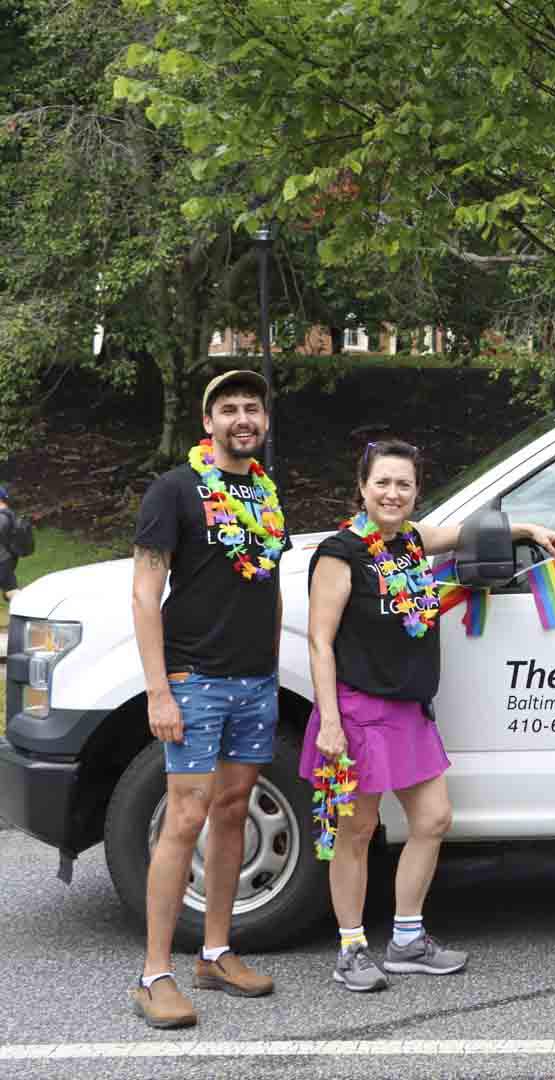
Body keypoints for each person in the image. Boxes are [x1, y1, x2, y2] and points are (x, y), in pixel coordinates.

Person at [302, 439, 555, 992]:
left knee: (433, 819)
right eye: (383, 483)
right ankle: (351, 947)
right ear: (363, 487)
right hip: (357, 712)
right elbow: (320, 643)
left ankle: (406, 939)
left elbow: (462, 532)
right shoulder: (340, 553)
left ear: (416, 493)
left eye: (404, 485)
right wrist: (329, 721)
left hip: (409, 710)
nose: (392, 493)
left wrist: (526, 530)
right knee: (357, 830)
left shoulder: (412, 543)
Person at [130, 370, 286, 1029]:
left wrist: (273, 668)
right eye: (230, 409)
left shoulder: (268, 495)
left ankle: (216, 952)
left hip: (254, 682)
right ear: (210, 421)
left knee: (231, 811)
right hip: (194, 680)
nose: (242, 418)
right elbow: (144, 592)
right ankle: (155, 973)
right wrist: (160, 690)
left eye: (252, 407)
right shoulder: (173, 491)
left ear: (264, 420)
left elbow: (270, 587)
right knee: (185, 818)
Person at [0, 485, 20, 602]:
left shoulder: (2, 517)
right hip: (7, 559)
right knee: (11, 591)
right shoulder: (8, 513)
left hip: (2, 560)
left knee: (10, 590)